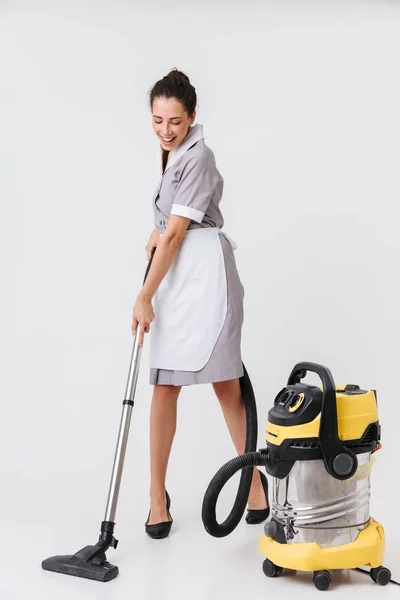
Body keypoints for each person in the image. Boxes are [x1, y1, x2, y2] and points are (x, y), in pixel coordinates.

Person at [131, 68, 269, 539]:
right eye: (157, 121)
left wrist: (144, 294)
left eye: (174, 121)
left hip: (207, 280)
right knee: (164, 387)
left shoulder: (200, 158)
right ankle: (156, 497)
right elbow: (169, 224)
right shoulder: (172, 157)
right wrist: (156, 239)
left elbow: (177, 231)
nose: (166, 131)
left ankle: (253, 483)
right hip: (176, 279)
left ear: (192, 116)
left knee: (227, 385)